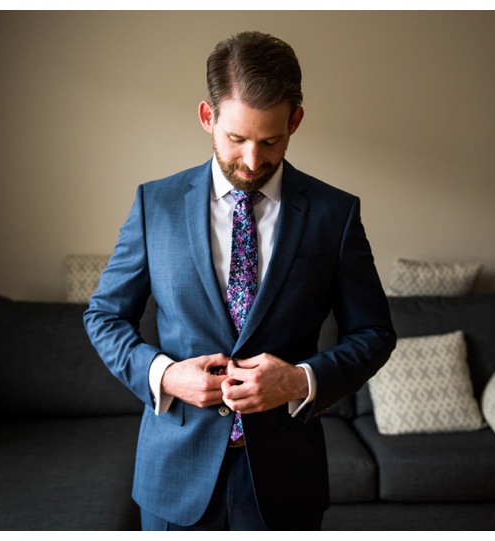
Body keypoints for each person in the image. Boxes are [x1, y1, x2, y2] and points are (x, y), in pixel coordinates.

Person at [84, 30, 396, 531]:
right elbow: (103, 317)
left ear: (295, 119)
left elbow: (375, 333)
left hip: (284, 483)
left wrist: (299, 381)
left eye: (271, 140)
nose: (253, 162)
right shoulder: (154, 205)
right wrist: (165, 375)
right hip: (174, 478)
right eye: (236, 139)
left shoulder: (334, 215)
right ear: (208, 117)